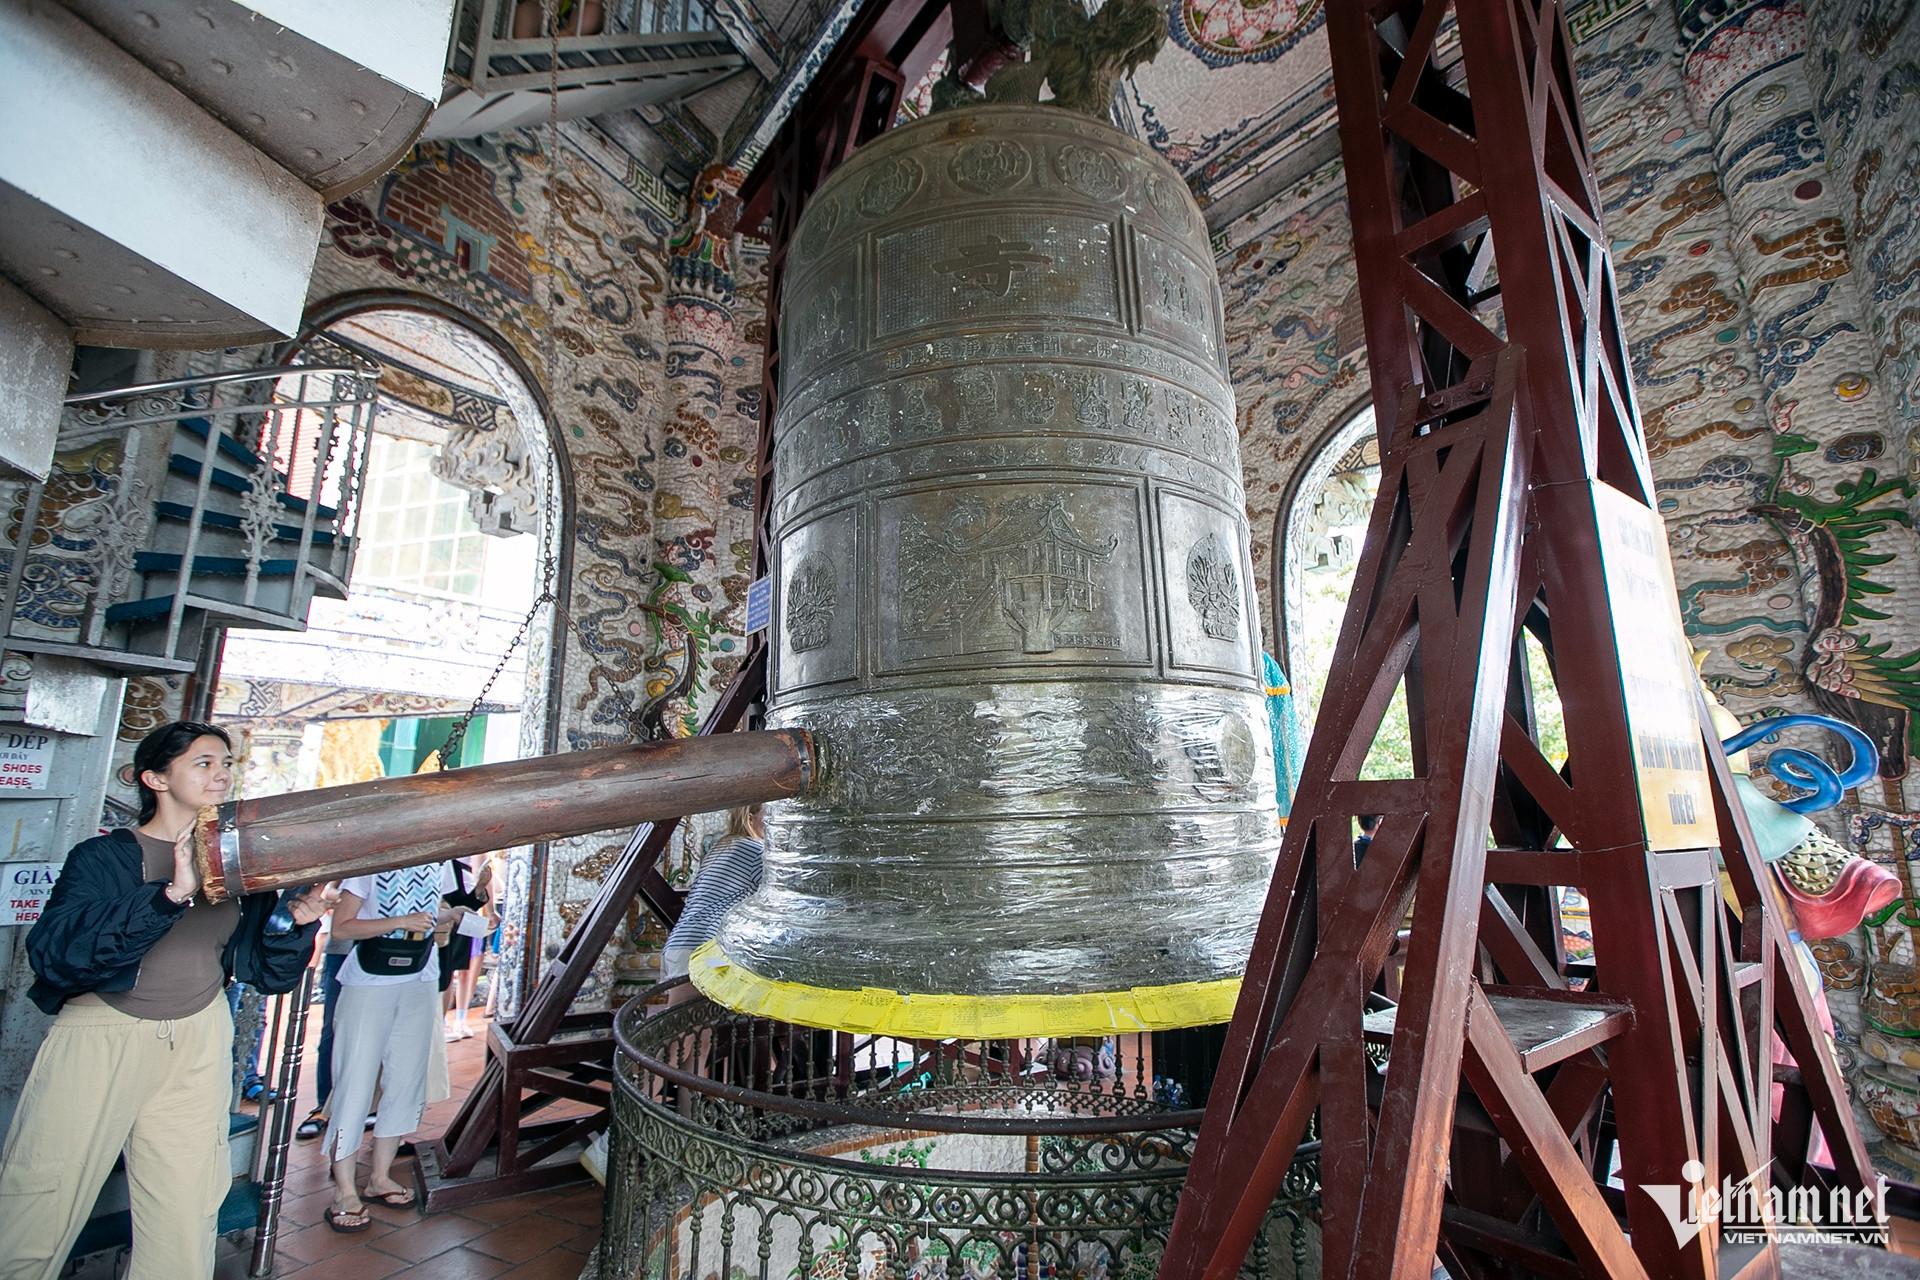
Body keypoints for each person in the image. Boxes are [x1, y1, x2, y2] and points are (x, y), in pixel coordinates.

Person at [0, 721, 327, 1280]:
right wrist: (172, 893)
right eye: (203, 763)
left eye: (226, 763)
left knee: (186, 1209)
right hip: (101, 1036)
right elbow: (57, 956)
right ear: (155, 778)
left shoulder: (241, 868)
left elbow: (263, 973)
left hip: (199, 1037)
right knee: (39, 1198)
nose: (221, 773)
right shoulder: (102, 858)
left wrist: (293, 924)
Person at [320, 864, 467, 1231]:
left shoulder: (440, 862)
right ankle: (343, 1189)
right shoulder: (375, 862)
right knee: (354, 1080)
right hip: (370, 979)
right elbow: (341, 926)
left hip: (421, 975)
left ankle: (380, 1176)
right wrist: (398, 921)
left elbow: (433, 912)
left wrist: (452, 916)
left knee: (406, 1079)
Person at [661, 804, 766, 982]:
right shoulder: (754, 850)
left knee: (689, 1008)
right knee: (703, 1006)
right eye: (768, 815)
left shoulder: (724, 846)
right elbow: (786, 889)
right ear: (750, 818)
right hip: (705, 949)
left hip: (680, 944)